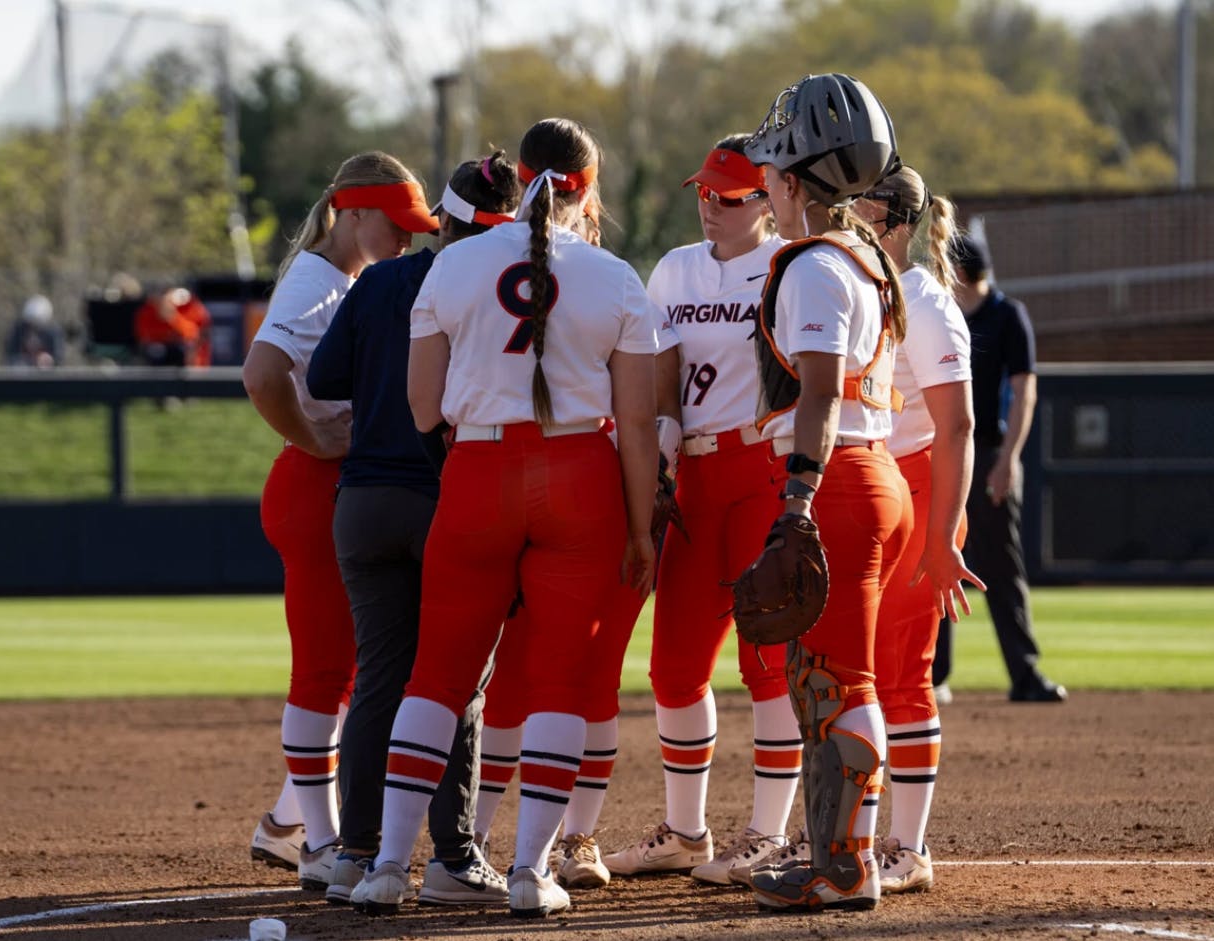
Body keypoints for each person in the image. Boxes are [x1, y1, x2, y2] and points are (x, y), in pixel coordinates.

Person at [348, 117, 657, 919]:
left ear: (518, 178)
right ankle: (530, 870)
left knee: (435, 676)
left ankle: (386, 866)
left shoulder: (451, 266)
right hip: (580, 474)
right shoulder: (618, 276)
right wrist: (638, 530)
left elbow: (422, 406)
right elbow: (636, 427)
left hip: (477, 469)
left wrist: (482, 452)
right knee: (558, 681)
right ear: (587, 191)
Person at [302, 151, 523, 908]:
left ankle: (354, 852)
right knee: (454, 679)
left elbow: (325, 378)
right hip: (447, 498)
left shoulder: (384, 281)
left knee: (379, 679)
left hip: (363, 501)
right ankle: (453, 855)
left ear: (446, 219)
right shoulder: (504, 287)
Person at [601, 137, 803, 887]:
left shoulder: (790, 263)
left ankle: (767, 833)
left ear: (766, 200)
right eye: (704, 193)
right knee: (674, 664)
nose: (709, 206)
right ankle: (685, 831)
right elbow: (661, 370)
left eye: (728, 196)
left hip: (760, 464)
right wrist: (657, 450)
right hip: (694, 474)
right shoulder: (678, 266)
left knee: (766, 657)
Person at [241, 151, 439, 893]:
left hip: (336, 482)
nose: (406, 236)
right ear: (351, 212)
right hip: (316, 482)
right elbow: (260, 375)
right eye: (394, 221)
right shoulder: (319, 282)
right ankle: (320, 843)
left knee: (357, 673)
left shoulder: (345, 280)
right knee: (325, 673)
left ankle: (288, 824)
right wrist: (310, 436)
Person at [739, 72, 907, 912]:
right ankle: (835, 854)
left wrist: (796, 498)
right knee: (827, 678)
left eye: (772, 166)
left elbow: (819, 393)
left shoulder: (811, 266)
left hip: (836, 480)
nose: (762, 178)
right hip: (870, 476)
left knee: (837, 681)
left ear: (797, 180)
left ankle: (843, 865)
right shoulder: (865, 253)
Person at [856, 167, 982, 895]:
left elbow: (957, 424)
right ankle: (855, 833)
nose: (848, 219)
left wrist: (941, 536)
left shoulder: (925, 301)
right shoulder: (861, 283)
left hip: (921, 483)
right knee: (857, 667)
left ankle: (907, 847)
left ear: (897, 223)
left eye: (862, 209)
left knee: (900, 671)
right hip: (876, 479)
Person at [932, 235, 1066, 704]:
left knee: (1003, 566)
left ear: (962, 274)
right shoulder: (938, 312)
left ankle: (1024, 674)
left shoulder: (1008, 316)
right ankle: (931, 676)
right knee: (933, 559)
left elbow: (1024, 391)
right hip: (940, 452)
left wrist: (1009, 459)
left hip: (988, 451)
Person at [134, 285, 211, 367]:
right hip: (158, 351)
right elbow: (145, 336)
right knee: (156, 351)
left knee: (184, 350)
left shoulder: (191, 306)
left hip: (185, 353)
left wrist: (172, 316)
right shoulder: (148, 310)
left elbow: (191, 334)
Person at [4, 295, 65, 368]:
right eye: (31, 322)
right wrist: (21, 360)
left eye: (37, 322)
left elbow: (58, 357)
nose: (34, 326)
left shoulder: (53, 333)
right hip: (21, 372)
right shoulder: (19, 330)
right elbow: (10, 354)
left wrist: (48, 360)